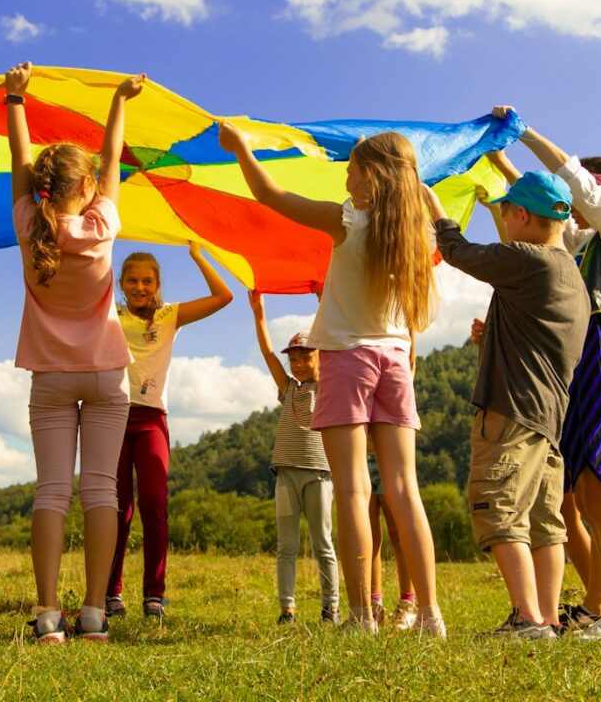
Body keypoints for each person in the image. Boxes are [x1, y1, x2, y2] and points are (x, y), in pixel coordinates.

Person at [219, 123, 445, 636]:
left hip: (346, 358)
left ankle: (363, 615)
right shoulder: (420, 234)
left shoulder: (349, 221)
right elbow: (435, 213)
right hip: (395, 359)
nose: (346, 172)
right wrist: (420, 190)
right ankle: (431, 614)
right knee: (407, 489)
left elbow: (270, 194)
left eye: (353, 166)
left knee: (351, 489)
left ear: (373, 177)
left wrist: (242, 149)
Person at [498, 106, 601, 642]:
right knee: (590, 495)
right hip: (580, 360)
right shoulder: (588, 241)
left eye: (580, 198)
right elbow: (549, 210)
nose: (570, 208)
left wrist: (524, 133)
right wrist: (502, 164)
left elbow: (569, 179)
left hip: (600, 358)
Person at [6, 61, 145, 643]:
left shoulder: (27, 225)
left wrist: (16, 98)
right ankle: (92, 613)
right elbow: (114, 159)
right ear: (86, 190)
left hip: (50, 379)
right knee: (101, 492)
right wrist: (119, 99)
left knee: (52, 492)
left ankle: (45, 615)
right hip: (107, 376)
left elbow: (18, 163)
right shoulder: (102, 226)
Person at [427, 167, 590, 639]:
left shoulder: (529, 259)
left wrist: (435, 211)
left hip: (512, 411)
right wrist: (494, 337)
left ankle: (526, 617)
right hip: (546, 418)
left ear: (521, 214)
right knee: (544, 523)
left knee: (498, 508)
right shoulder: (569, 276)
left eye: (506, 213)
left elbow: (457, 251)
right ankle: (549, 618)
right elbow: (539, 343)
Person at [105, 246, 232, 619]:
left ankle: (153, 595)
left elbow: (223, 296)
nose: (140, 286)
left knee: (154, 504)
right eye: (132, 280)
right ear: (121, 283)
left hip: (151, 420)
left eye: (147, 280)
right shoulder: (110, 313)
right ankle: (112, 592)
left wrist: (198, 254)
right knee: (117, 509)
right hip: (112, 416)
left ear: (158, 284)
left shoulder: (168, 315)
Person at [250, 293, 340, 626]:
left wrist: (325, 300)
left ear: (320, 357)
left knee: (323, 543)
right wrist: (260, 315)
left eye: (306, 357)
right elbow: (268, 353)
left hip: (318, 475)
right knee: (286, 545)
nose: (299, 364)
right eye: (295, 359)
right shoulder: (288, 388)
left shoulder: (329, 385)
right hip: (286, 475)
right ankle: (287, 609)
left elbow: (335, 337)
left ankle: (331, 607)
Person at [368, 457, 418, 629]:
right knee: (368, 537)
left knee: (398, 533)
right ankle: (374, 605)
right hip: (361, 460)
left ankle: (407, 604)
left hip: (388, 458)